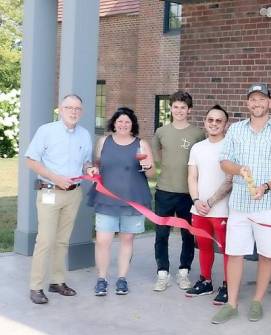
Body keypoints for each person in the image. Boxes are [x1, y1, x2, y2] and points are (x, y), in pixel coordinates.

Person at [212, 83, 271, 324]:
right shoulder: (236, 130)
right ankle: (231, 303)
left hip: (270, 204)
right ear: (247, 103)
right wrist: (239, 169)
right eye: (253, 99)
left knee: (267, 254)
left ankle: (258, 301)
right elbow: (224, 161)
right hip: (239, 203)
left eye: (261, 99)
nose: (257, 103)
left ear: (270, 102)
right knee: (235, 253)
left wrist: (267, 186)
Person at [25, 94, 93, 304]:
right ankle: (36, 287)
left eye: (77, 109)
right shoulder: (46, 131)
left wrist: (90, 169)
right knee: (45, 240)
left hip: (73, 194)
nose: (73, 112)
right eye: (69, 107)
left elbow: (85, 163)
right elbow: (30, 160)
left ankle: (57, 282)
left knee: (63, 240)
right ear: (60, 109)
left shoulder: (84, 135)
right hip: (49, 192)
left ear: (81, 112)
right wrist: (56, 178)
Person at [87, 107, 154, 296]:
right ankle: (102, 278)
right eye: (120, 121)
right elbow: (96, 165)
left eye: (127, 121)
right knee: (103, 241)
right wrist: (93, 170)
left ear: (132, 124)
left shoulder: (142, 144)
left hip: (133, 199)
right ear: (114, 124)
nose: (123, 124)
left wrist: (147, 166)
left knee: (127, 239)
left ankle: (122, 279)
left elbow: (150, 173)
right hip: (106, 198)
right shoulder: (103, 142)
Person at [152, 90, 205, 292]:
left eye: (183, 107)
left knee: (188, 235)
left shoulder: (198, 134)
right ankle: (162, 273)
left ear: (189, 110)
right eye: (176, 107)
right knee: (161, 234)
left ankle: (184, 272)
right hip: (165, 190)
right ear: (171, 109)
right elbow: (156, 155)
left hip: (188, 193)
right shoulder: (161, 132)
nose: (179, 110)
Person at [185, 104, 233, 305]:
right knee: (204, 246)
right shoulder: (197, 148)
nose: (214, 124)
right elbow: (192, 177)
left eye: (219, 121)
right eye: (210, 120)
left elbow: (230, 179)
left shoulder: (230, 147)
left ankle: (228, 285)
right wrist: (197, 201)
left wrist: (211, 201)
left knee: (226, 250)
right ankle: (205, 281)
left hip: (222, 209)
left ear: (225, 125)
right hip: (199, 208)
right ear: (205, 122)